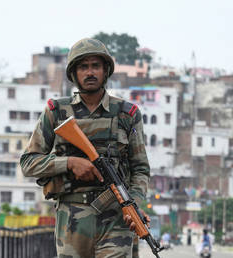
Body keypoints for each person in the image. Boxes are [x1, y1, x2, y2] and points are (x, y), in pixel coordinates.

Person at [20, 38, 150, 257]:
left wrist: (134, 203)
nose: (90, 72)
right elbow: (28, 163)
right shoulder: (56, 111)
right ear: (74, 73)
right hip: (72, 221)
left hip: (116, 219)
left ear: (105, 70)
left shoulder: (127, 114)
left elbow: (140, 169)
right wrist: (69, 163)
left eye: (95, 66)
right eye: (83, 66)